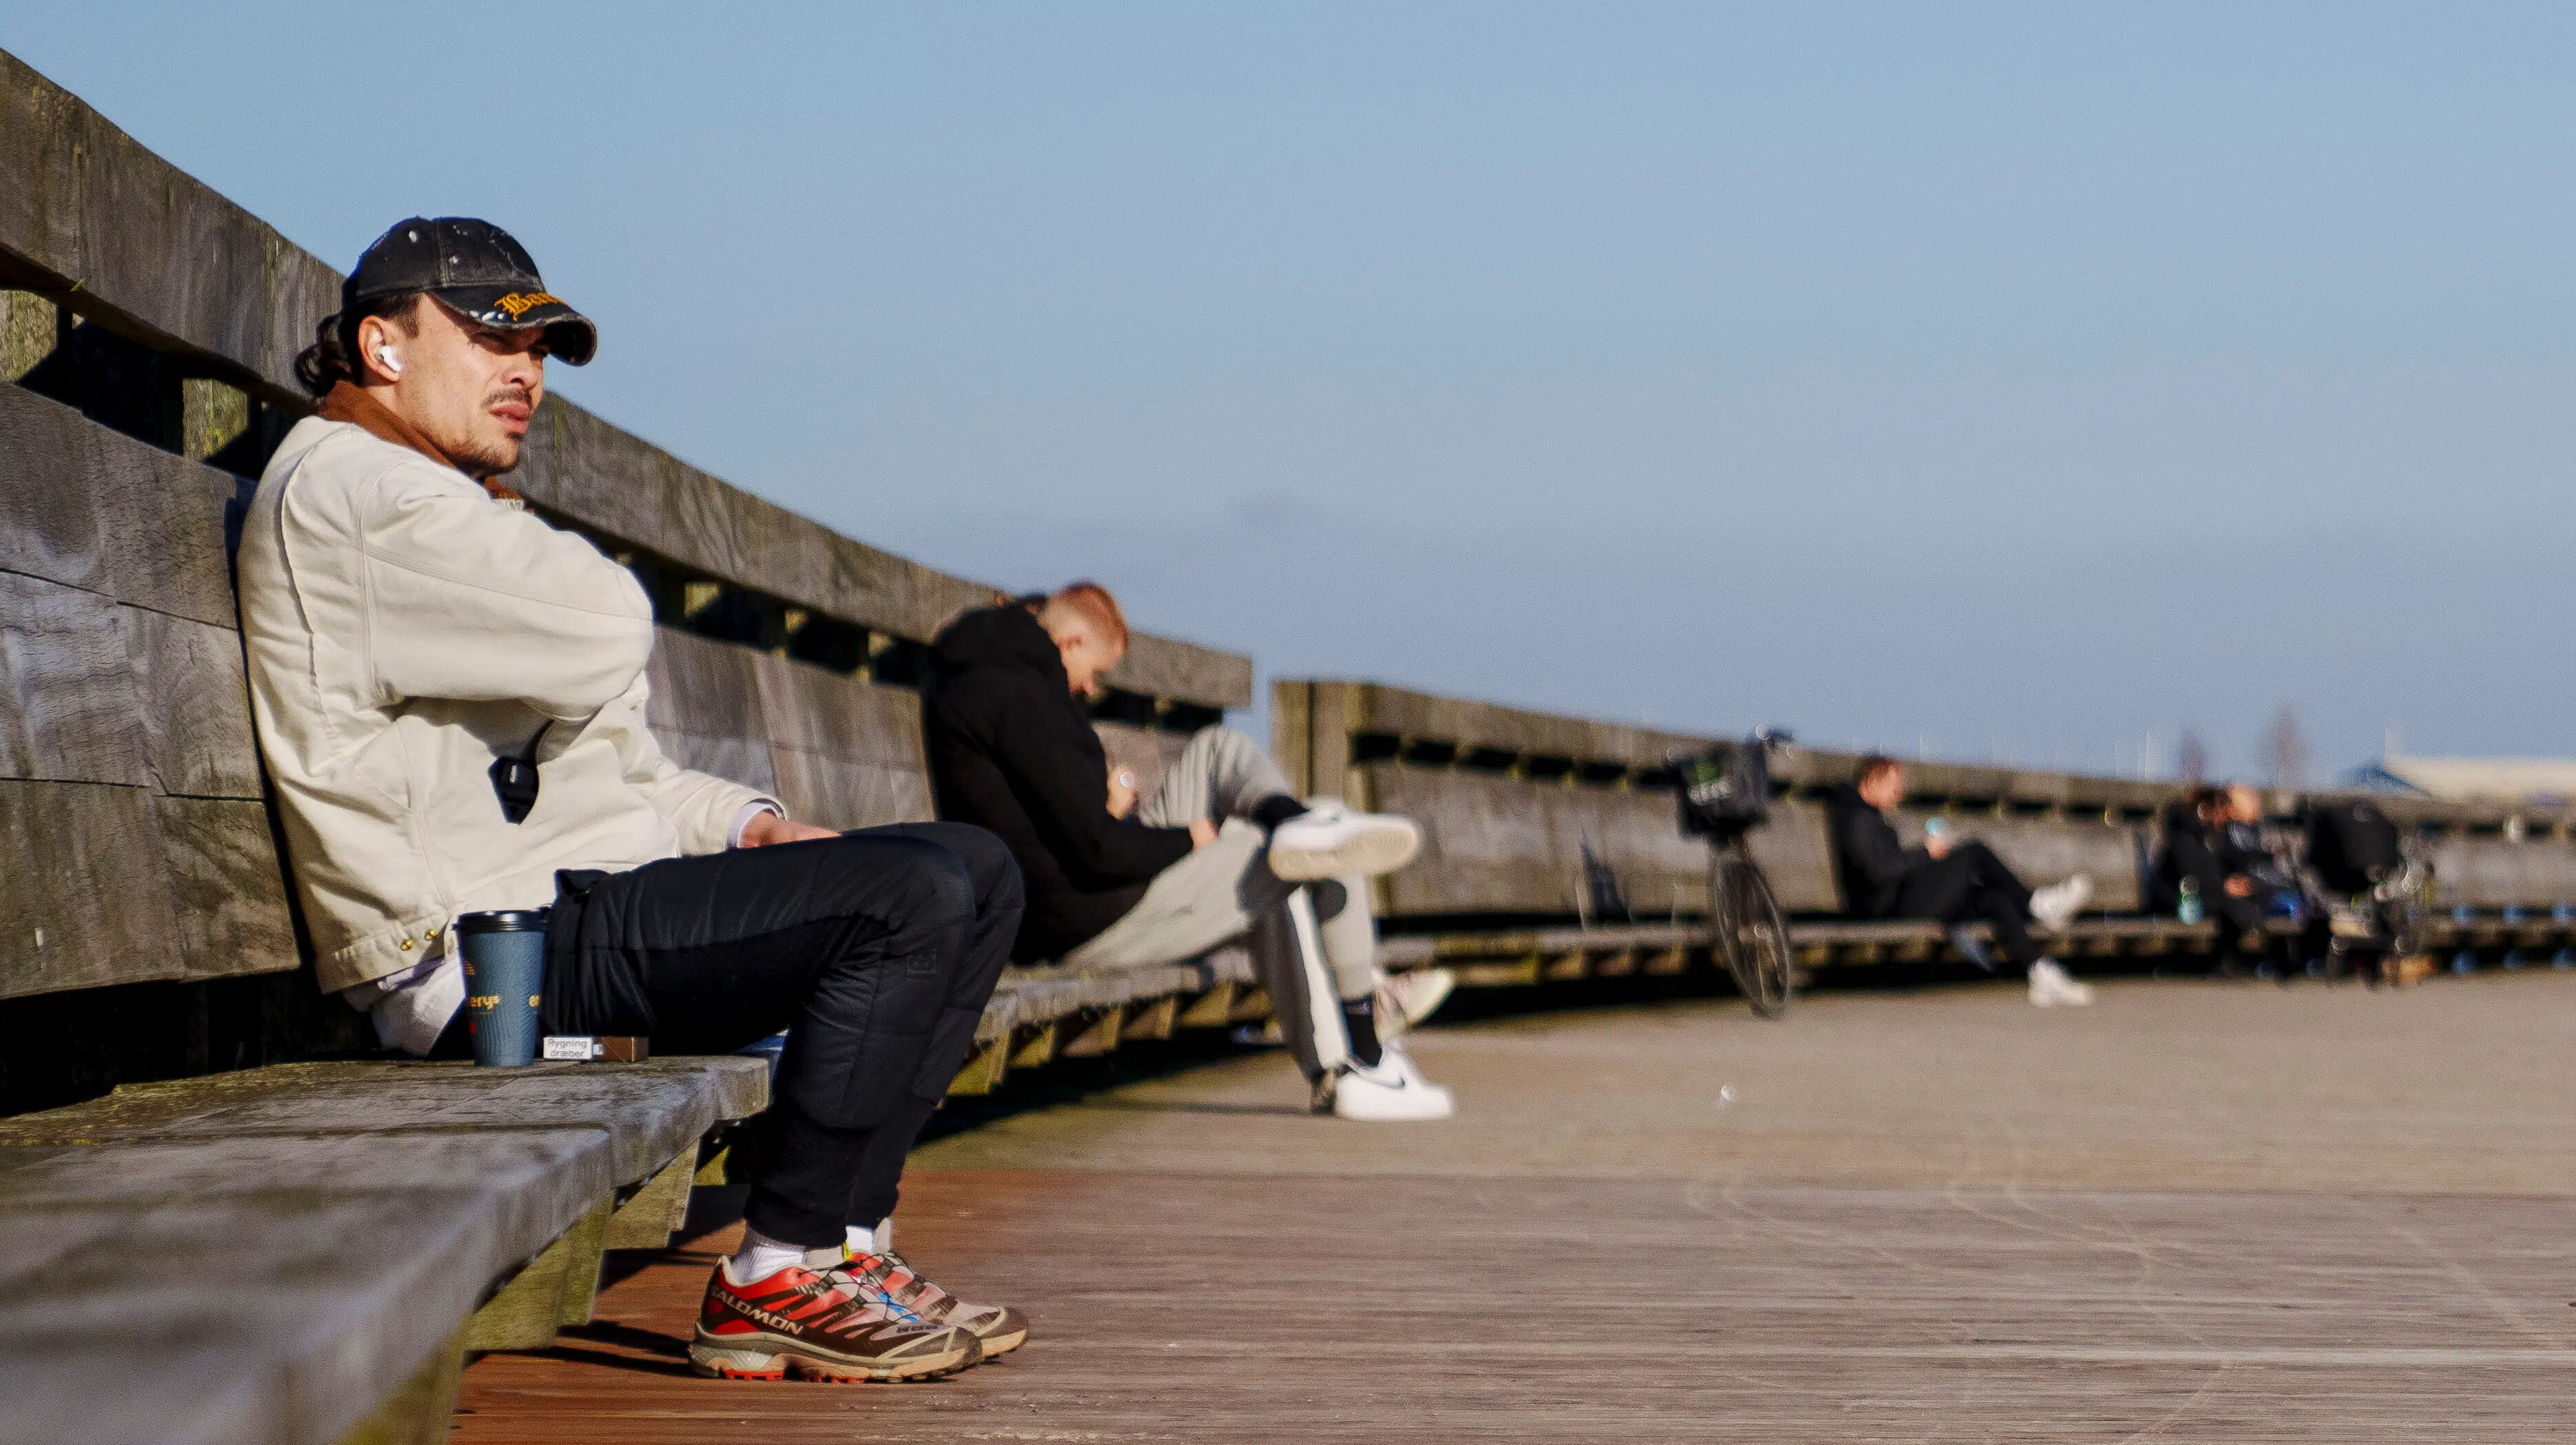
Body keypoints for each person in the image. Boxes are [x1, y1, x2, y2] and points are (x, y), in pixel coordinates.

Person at [239, 217, 1025, 1384]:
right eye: (491, 335)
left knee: (977, 867)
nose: (526, 373)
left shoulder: (440, 505)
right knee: (901, 899)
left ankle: (847, 1245)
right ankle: (776, 1271)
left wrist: (746, 825)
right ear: (383, 346)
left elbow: (631, 774)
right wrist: (528, 536)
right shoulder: (355, 493)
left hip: (578, 914)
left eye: (540, 346)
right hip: (483, 961)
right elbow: (607, 621)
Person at [921, 583, 1455, 1119]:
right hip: (1085, 920)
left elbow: (1057, 823)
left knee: (1221, 754)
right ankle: (1360, 1057)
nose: (1090, 687)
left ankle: (1293, 819)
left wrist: (1107, 802)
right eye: (1096, 670)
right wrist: (1191, 839)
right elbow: (1096, 854)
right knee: (1281, 860)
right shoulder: (1019, 695)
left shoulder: (1002, 675)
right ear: (1070, 641)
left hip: (1084, 896)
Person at [1822, 755, 2096, 1006]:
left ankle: (2039, 972)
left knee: (1994, 899)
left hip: (1900, 899)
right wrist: (1925, 853)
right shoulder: (1856, 819)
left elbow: (1888, 865)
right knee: (1974, 852)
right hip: (1889, 910)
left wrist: (1925, 858)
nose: (1899, 792)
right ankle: (2036, 905)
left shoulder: (1865, 816)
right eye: (1894, 784)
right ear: (1871, 781)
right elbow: (1879, 872)